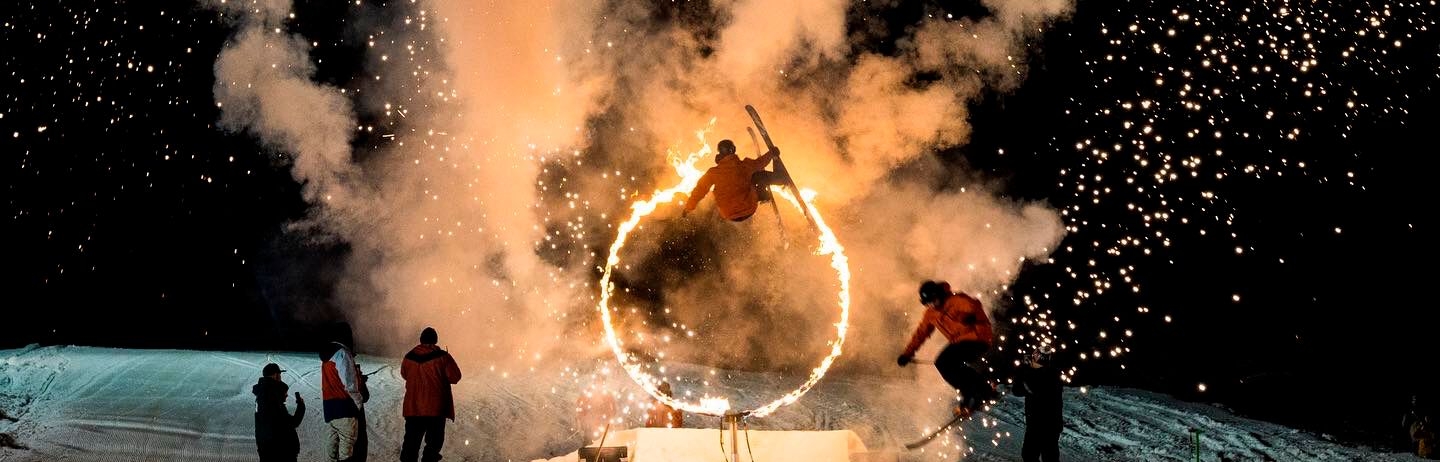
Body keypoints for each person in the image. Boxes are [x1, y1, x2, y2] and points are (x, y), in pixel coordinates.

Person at [896, 280, 996, 416]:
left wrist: (972, 316)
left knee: (944, 361)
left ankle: (976, 392)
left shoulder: (955, 300)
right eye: (928, 303)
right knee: (948, 365)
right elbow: (920, 334)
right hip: (960, 342)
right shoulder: (931, 313)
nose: (932, 305)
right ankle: (978, 392)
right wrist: (907, 354)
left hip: (978, 337)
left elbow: (974, 304)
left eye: (934, 300)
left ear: (940, 295)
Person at [683, 139, 786, 222]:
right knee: (756, 176)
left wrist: (688, 208)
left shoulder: (713, 173)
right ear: (733, 150)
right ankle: (779, 179)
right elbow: (760, 163)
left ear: (719, 154)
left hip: (729, 215)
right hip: (748, 208)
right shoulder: (743, 166)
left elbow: (700, 190)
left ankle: (763, 195)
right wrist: (772, 153)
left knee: (744, 182)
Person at [400, 327, 463, 462]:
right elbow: (455, 377)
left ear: (421, 339)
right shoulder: (442, 357)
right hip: (435, 408)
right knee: (433, 444)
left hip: (413, 407)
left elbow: (404, 375)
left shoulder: (409, 357)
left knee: (411, 444)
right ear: (435, 340)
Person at [320, 325, 368, 462]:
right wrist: (358, 403)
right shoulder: (342, 353)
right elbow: (349, 383)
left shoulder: (327, 356)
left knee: (331, 451)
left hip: (330, 410)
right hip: (345, 409)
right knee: (347, 452)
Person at [1013, 350, 1064, 462]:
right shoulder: (1050, 373)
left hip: (1044, 423)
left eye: (1035, 358)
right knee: (1037, 455)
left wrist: (1023, 371)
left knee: (1037, 455)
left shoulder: (1049, 375)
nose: (1031, 360)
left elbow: (1031, 388)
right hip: (1043, 423)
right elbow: (1016, 390)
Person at [254, 363, 305, 462]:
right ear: (276, 375)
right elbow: (293, 422)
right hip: (280, 449)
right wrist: (301, 406)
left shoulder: (260, 394)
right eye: (280, 375)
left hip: (264, 446)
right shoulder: (272, 396)